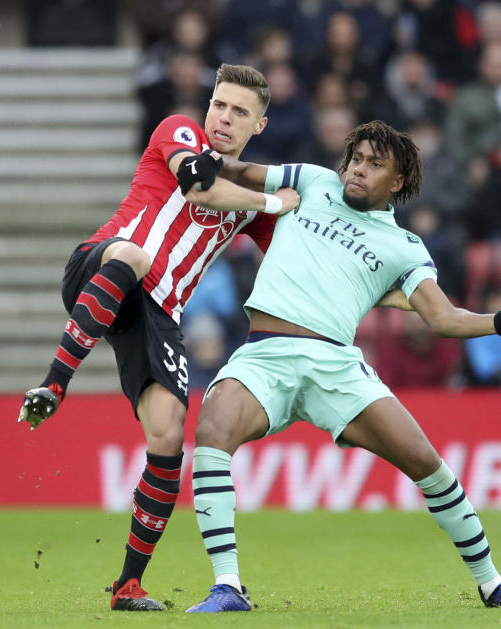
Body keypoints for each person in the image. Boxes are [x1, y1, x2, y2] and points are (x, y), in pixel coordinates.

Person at [185, 120, 501, 612]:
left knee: (427, 464)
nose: (358, 170)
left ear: (399, 181)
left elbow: (444, 318)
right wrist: (203, 161)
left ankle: (493, 584)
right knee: (212, 430)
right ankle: (227, 586)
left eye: (374, 164)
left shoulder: (405, 248)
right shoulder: (313, 179)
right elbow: (240, 169)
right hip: (264, 353)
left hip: (336, 366)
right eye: (356, 159)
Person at [17, 64, 302, 612]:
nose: (223, 117)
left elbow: (296, 260)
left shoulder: (247, 195)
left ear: (258, 126)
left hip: (156, 312)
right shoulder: (178, 131)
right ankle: (54, 385)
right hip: (100, 267)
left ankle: (128, 586)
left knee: (169, 436)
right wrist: (272, 201)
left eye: (239, 112)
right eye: (220, 104)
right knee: (135, 253)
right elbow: (200, 185)